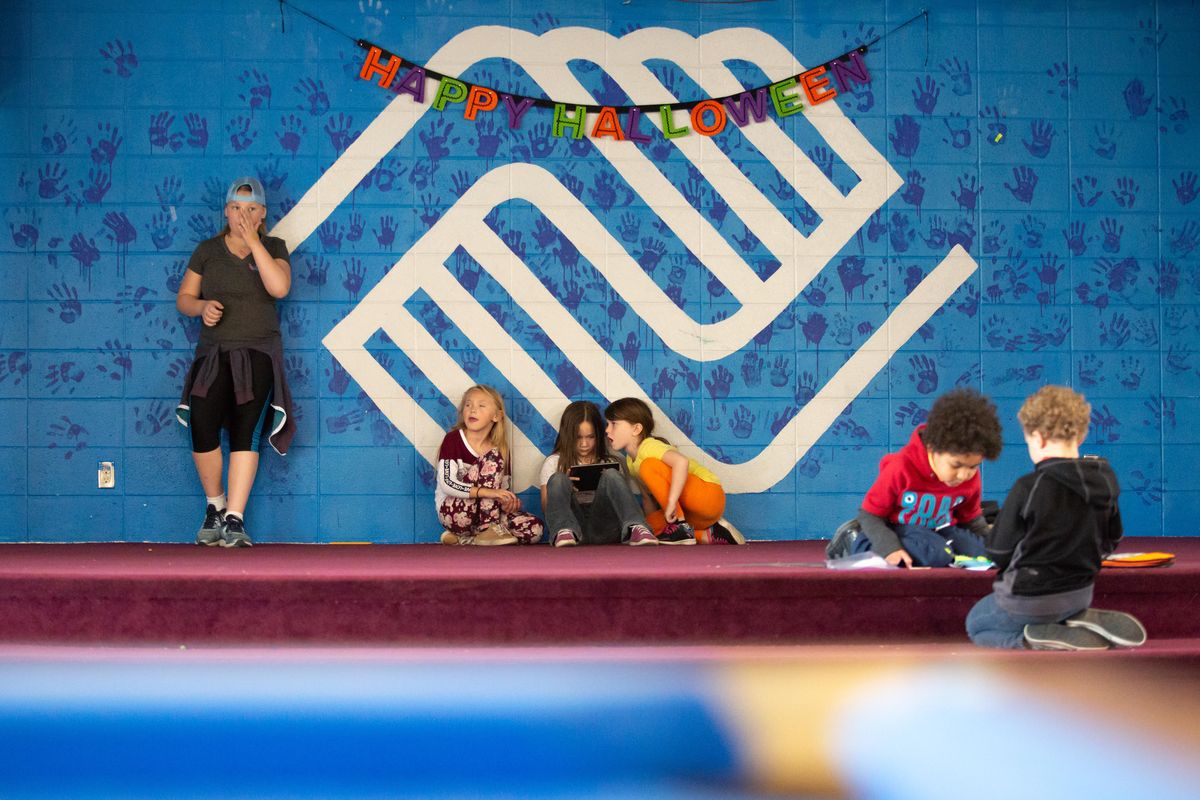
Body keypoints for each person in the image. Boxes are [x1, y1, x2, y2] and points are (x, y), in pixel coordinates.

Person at [966, 386, 1146, 651]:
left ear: (1038, 438)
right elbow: (1113, 538)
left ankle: (1031, 638)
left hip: (1027, 597)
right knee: (1053, 606)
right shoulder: (1106, 479)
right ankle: (1073, 618)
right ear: (1081, 435)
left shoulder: (1029, 486)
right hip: (1080, 593)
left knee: (977, 625)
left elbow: (998, 551)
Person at [175, 177, 295, 548]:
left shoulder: (274, 247)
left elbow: (279, 288)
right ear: (226, 211)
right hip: (213, 352)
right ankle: (215, 506)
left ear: (262, 214)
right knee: (201, 423)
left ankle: (235, 519)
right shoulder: (207, 251)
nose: (243, 215)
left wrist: (254, 241)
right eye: (237, 208)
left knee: (247, 431)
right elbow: (184, 297)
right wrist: (200, 308)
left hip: (257, 352)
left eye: (251, 209)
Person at [826, 388, 1001, 567]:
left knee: (988, 554)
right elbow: (869, 515)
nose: (964, 475)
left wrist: (994, 546)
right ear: (933, 448)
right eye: (956, 465)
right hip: (898, 528)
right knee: (936, 555)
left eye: (973, 467)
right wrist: (889, 548)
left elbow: (970, 519)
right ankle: (854, 538)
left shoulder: (970, 478)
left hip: (940, 530)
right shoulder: (901, 467)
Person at [603, 397, 744, 545]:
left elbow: (681, 462)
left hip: (708, 495)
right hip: (695, 514)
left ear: (636, 429)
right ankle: (710, 533)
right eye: (607, 424)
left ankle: (679, 526)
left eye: (614, 424)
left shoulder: (648, 446)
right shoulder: (630, 461)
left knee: (648, 465)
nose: (607, 430)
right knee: (647, 526)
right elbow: (647, 499)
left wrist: (671, 503)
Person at [436, 385, 544, 546]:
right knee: (492, 457)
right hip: (456, 513)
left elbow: (500, 490)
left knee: (534, 528)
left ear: (496, 416)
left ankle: (468, 539)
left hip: (487, 514)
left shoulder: (501, 450)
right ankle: (488, 529)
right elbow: (447, 483)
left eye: (481, 405)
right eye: (468, 405)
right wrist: (488, 492)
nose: (473, 410)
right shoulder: (453, 439)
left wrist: (507, 502)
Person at [540, 400, 656, 547]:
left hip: (606, 528)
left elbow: (621, 504)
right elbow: (546, 508)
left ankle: (637, 527)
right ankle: (563, 531)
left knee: (611, 474)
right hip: (572, 528)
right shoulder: (554, 462)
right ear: (567, 435)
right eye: (578, 437)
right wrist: (565, 488)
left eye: (590, 437)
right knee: (558, 478)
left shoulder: (612, 461)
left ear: (599, 435)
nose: (584, 444)